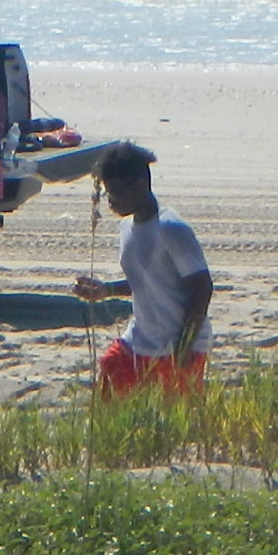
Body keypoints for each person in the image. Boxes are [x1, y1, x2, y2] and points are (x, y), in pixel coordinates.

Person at [74, 144, 213, 397]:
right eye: (107, 193)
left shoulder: (171, 229)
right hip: (139, 340)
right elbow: (147, 280)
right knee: (110, 373)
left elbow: (202, 287)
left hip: (176, 344)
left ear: (139, 186)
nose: (110, 201)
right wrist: (107, 290)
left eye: (115, 193)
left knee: (174, 417)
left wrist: (184, 344)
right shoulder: (127, 228)